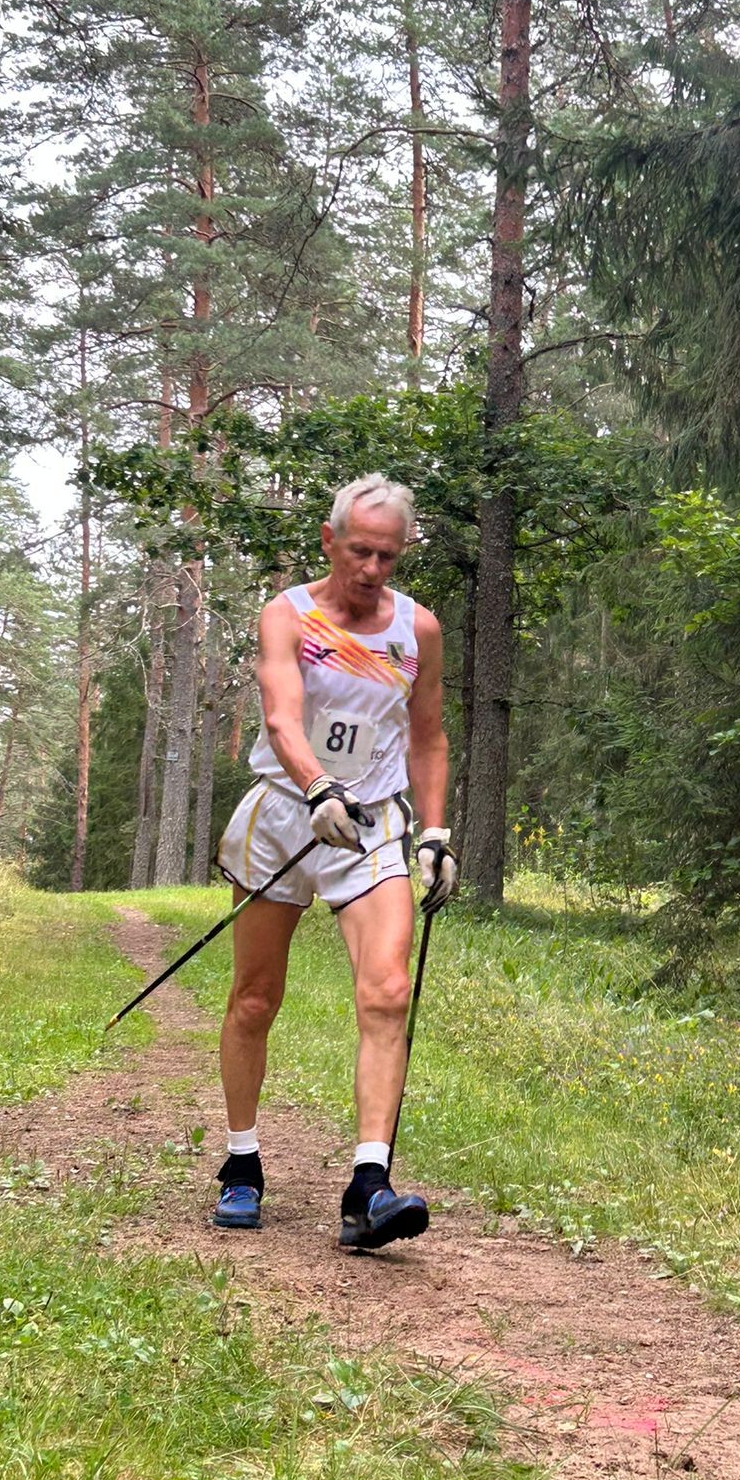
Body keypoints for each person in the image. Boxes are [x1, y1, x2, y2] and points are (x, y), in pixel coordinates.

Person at [211, 472, 458, 1249]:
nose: (373, 569)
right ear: (329, 540)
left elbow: (428, 736)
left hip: (373, 822)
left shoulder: (418, 630)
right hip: (288, 815)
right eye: (360, 552)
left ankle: (369, 1187)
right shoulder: (288, 615)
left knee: (387, 991)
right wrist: (317, 785)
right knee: (255, 999)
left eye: (388, 556)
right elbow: (282, 717)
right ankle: (242, 1165)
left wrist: (435, 834)